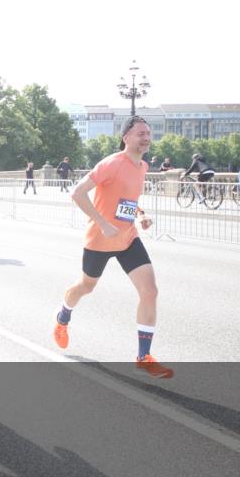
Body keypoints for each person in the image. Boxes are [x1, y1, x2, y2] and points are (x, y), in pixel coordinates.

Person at [54, 116, 172, 379]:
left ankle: (143, 356)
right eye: (141, 133)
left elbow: (128, 199)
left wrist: (140, 214)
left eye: (149, 133)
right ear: (126, 137)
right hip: (100, 238)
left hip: (128, 238)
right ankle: (63, 316)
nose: (147, 137)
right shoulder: (111, 164)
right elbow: (77, 193)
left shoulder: (142, 166)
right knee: (86, 286)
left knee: (150, 290)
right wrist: (103, 223)